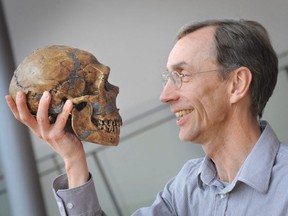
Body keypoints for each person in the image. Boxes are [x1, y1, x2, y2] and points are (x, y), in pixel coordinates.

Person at [5, 19, 288, 216]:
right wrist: (73, 160)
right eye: (168, 78)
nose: (165, 96)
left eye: (181, 75)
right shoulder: (184, 189)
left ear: (237, 84)